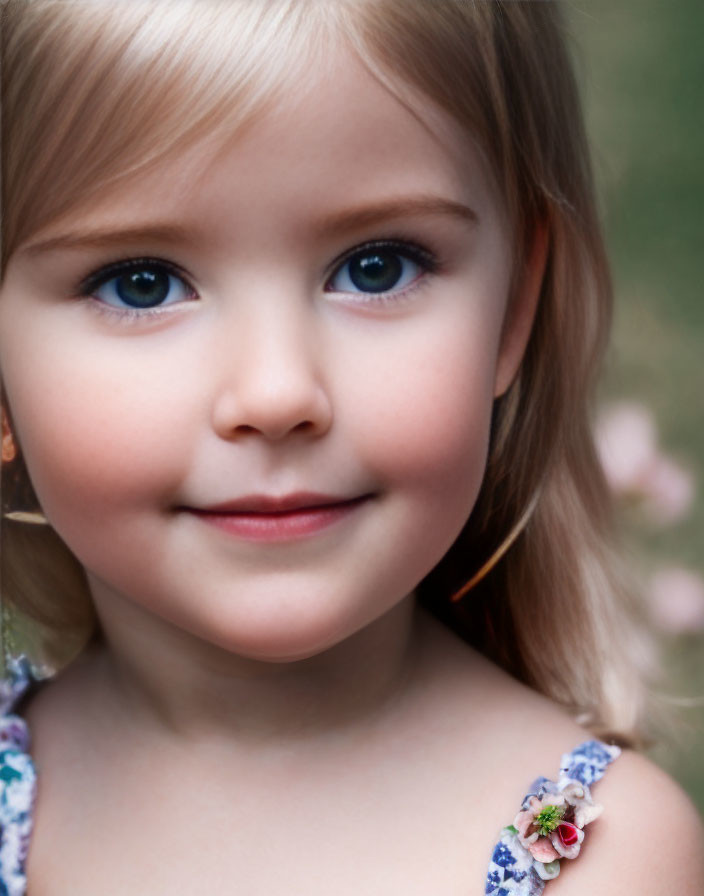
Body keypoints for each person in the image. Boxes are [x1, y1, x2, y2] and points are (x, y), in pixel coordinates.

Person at [0, 1, 702, 893]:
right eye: (140, 284)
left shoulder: (602, 862)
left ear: (513, 310)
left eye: (377, 266)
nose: (278, 393)